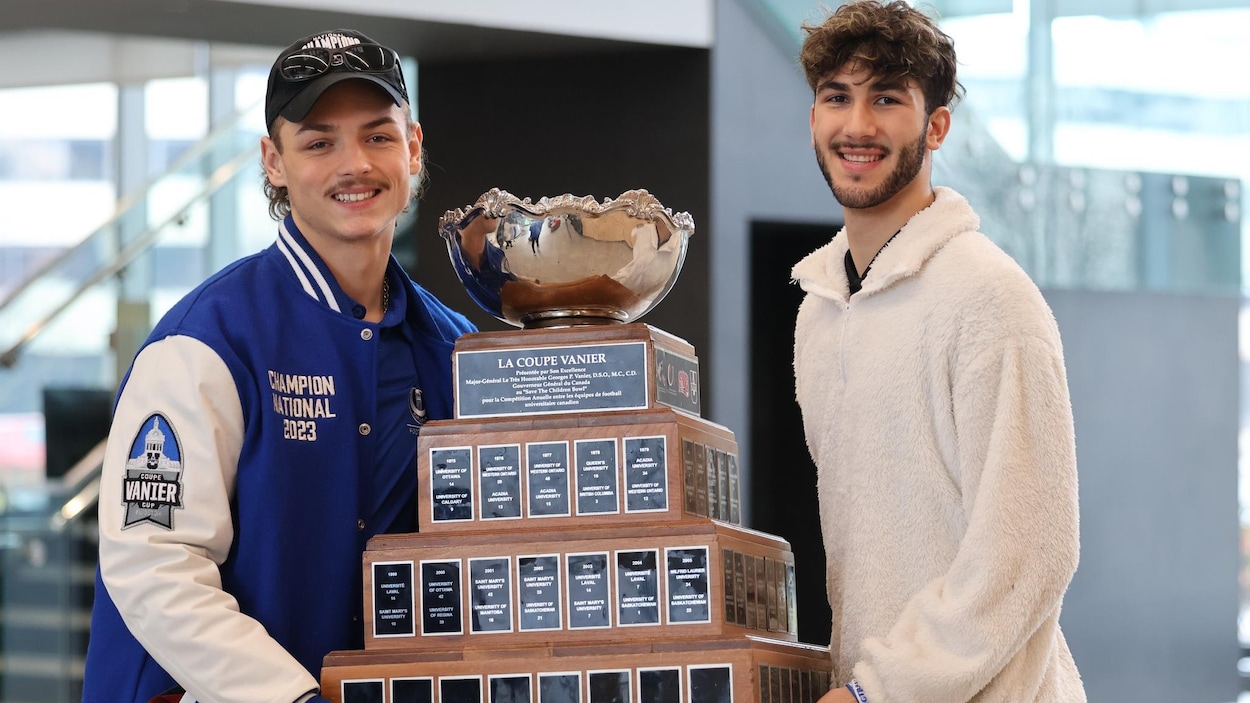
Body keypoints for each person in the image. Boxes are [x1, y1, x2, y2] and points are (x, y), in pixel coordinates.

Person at [82, 29, 475, 703]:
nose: (355, 164)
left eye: (377, 136)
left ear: (412, 147)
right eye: (319, 142)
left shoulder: (450, 346)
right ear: (275, 161)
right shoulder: (206, 342)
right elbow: (155, 564)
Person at [789, 2, 1086, 702]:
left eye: (887, 99)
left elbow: (1031, 550)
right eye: (838, 97)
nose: (857, 125)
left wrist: (882, 690)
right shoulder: (820, 313)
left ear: (937, 125)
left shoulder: (991, 297)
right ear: (813, 119)